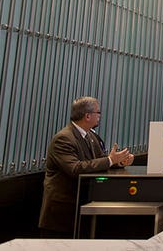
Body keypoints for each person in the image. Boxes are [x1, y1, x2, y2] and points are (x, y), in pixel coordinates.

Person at [39, 97, 134, 236]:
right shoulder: (64, 138)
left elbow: (99, 161)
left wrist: (118, 161)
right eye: (98, 112)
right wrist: (110, 160)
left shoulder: (90, 136)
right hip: (61, 215)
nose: (100, 116)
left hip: (81, 210)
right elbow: (76, 169)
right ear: (88, 116)